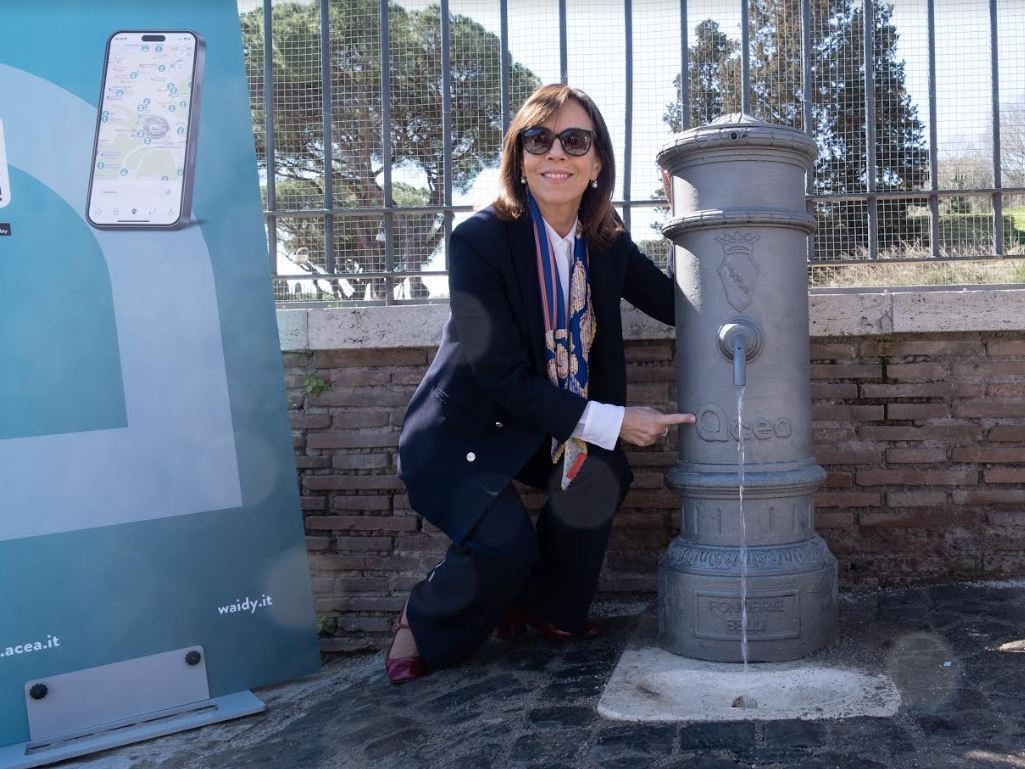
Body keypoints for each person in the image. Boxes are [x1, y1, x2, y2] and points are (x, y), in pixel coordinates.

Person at [386, 83, 695, 684]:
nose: (557, 154)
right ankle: (419, 622)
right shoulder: (478, 240)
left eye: (575, 140)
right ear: (520, 157)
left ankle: (547, 609)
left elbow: (682, 303)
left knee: (601, 475)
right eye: (539, 139)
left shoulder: (605, 244)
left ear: (597, 161)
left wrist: (684, 218)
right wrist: (615, 420)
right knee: (506, 548)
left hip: (537, 426)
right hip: (462, 434)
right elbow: (496, 374)